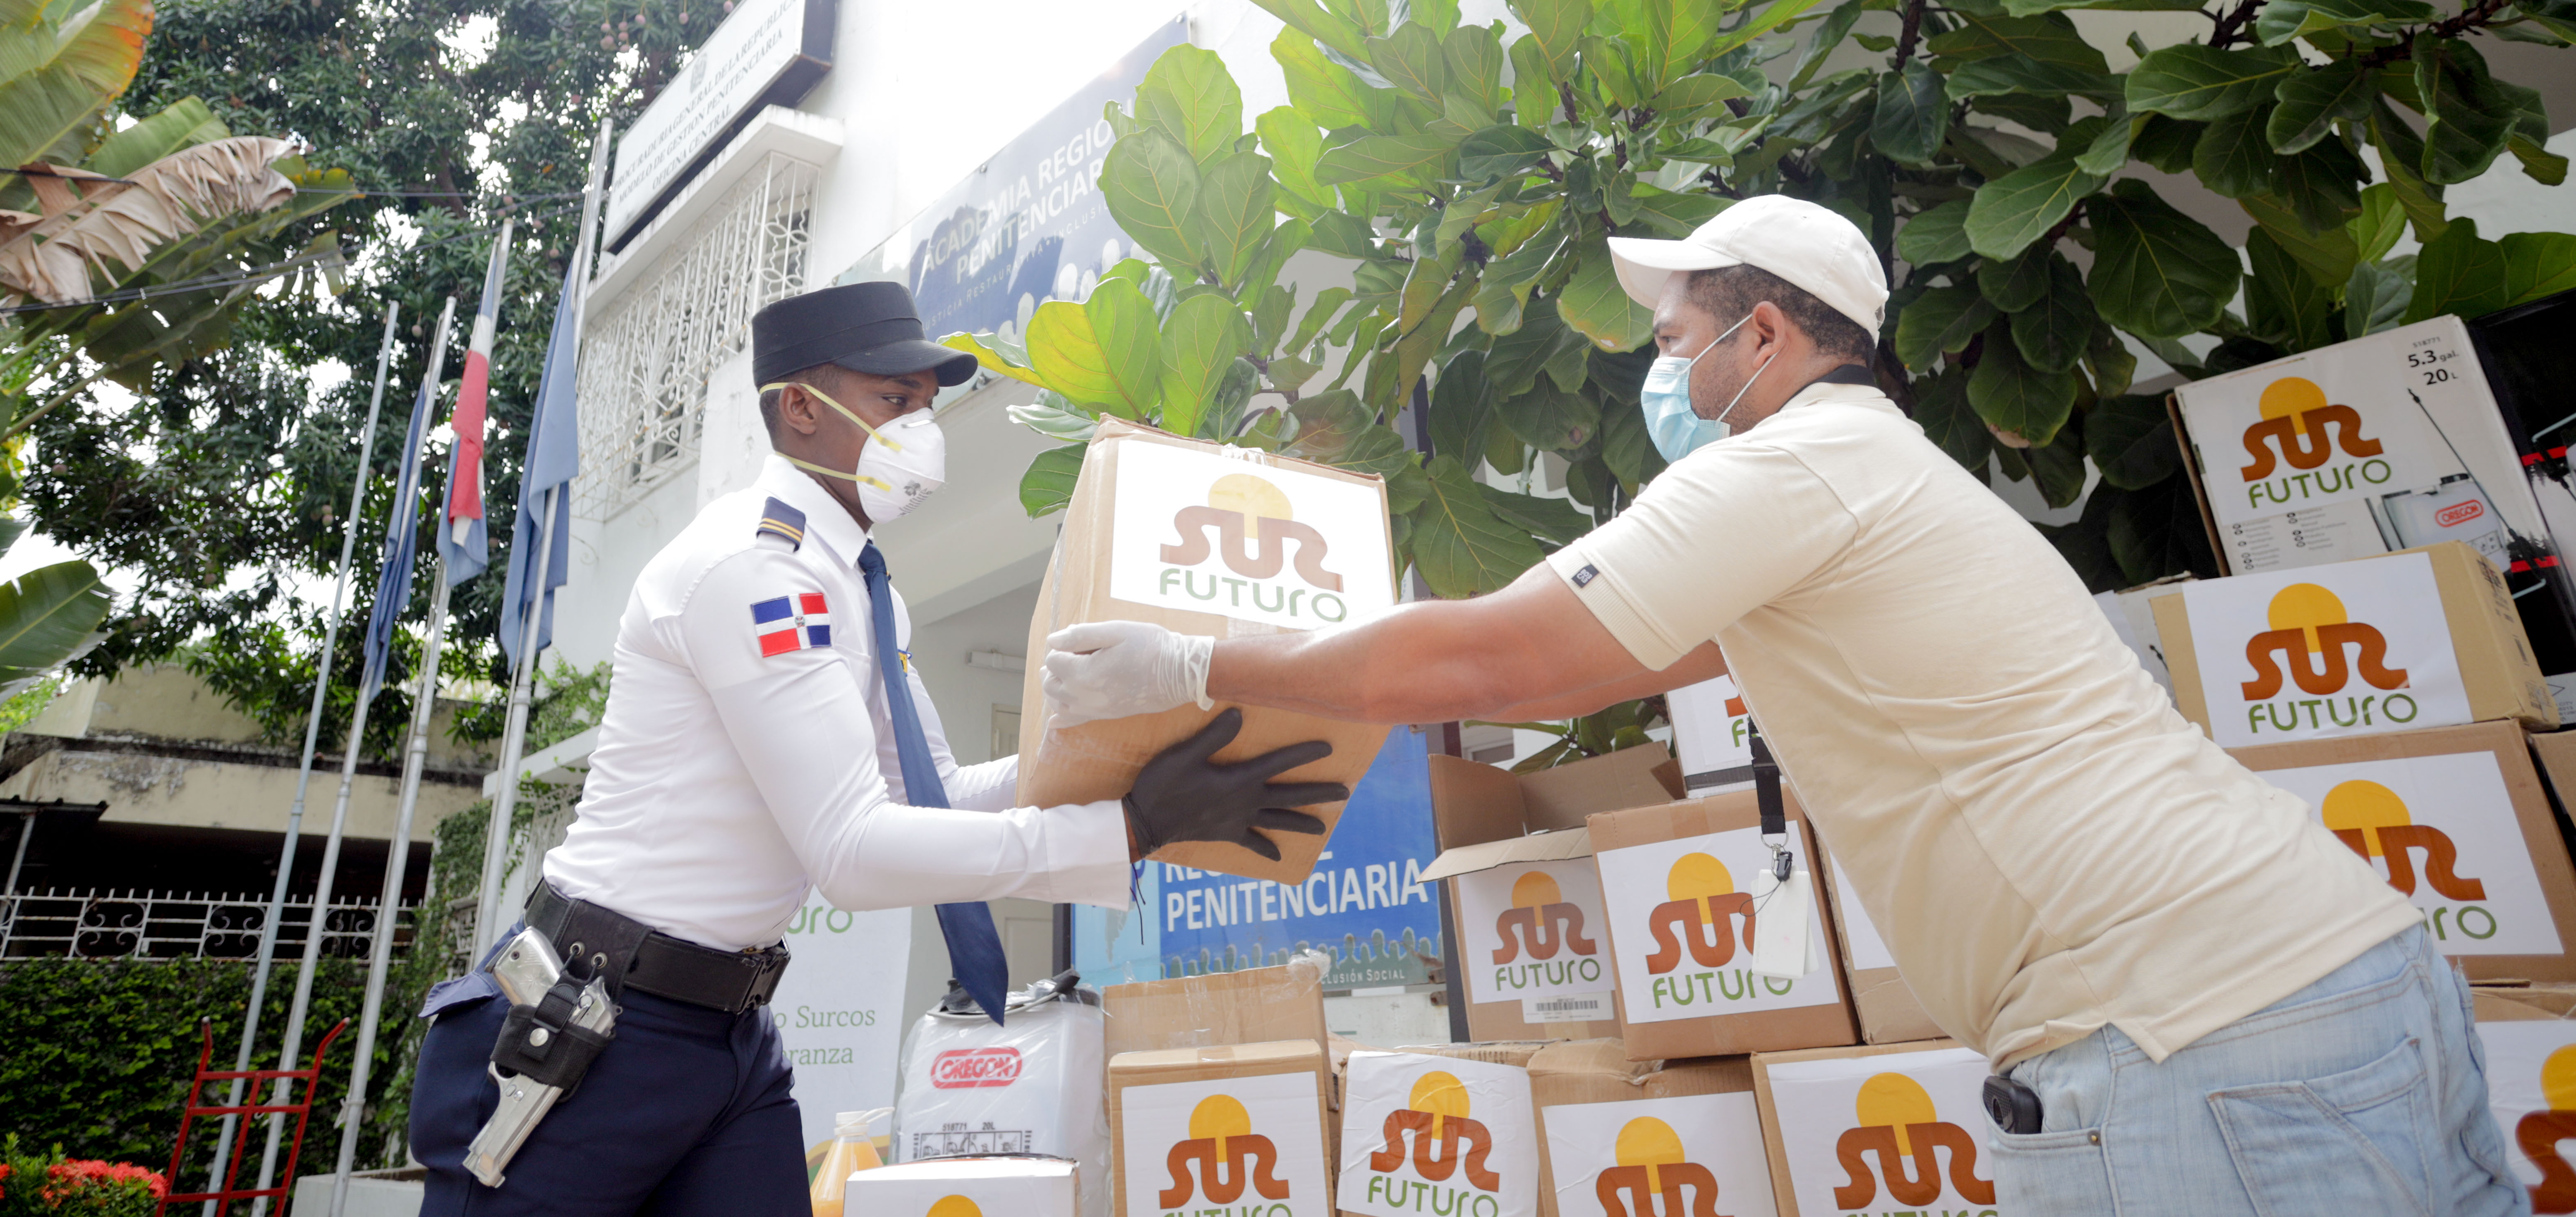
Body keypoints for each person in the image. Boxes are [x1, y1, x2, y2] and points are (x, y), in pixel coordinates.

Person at [1044, 197, 2519, 1215]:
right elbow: (1584, 659)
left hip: (2191, 1031)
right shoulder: (1870, 483)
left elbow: (1495, 661)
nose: (1660, 370)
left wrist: (1193, 661)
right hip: (2340, 968)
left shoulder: (1795, 468)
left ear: (1764, 335)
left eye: (1675, 338)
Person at [410, 281, 1344, 1217]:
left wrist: (1135, 760)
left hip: (725, 1031)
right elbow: (852, 849)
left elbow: (926, 794)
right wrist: (1127, 828)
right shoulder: (753, 568)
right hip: (595, 1025)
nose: (921, 431)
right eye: (894, 402)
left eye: (925, 408)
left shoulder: (862, 588)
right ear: (803, 410)